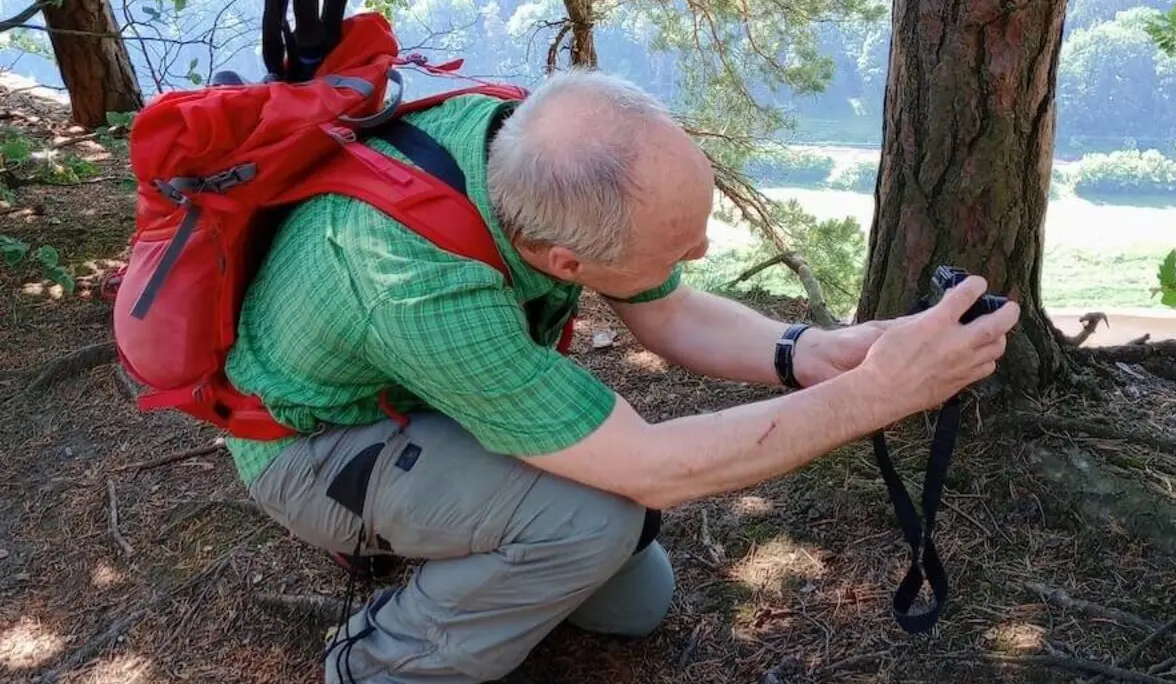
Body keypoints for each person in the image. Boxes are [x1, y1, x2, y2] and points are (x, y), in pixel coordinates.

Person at [225, 68, 1020, 684]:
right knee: (591, 523)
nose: (700, 256)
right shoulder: (421, 288)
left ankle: (453, 543)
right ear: (565, 262)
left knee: (635, 603)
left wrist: (814, 352)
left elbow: (669, 311)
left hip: (425, 396)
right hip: (316, 447)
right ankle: (375, 664)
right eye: (679, 247)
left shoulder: (527, 151)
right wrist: (880, 394)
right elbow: (655, 469)